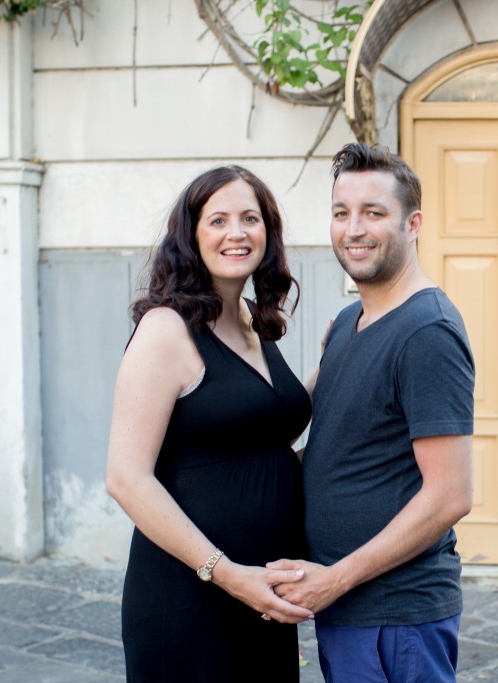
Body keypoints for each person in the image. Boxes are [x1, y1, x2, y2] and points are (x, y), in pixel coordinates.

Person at [270, 143, 476, 682]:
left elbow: (450, 495)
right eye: (341, 213)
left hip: (394, 615)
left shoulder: (427, 332)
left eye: (373, 212)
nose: (354, 229)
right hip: (348, 609)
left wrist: (336, 579)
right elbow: (331, 447)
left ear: (413, 224)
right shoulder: (347, 322)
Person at [105, 165, 314, 682]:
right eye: (218, 220)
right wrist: (226, 574)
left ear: (268, 231)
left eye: (250, 218)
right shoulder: (165, 329)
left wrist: (339, 362)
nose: (236, 233)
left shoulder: (251, 319)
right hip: (191, 596)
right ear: (191, 235)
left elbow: (255, 435)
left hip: (261, 589)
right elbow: (126, 479)